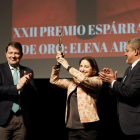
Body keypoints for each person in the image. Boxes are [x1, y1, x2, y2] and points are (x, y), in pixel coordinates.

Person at [50, 51, 103, 140]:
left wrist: (67, 66)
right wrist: (58, 64)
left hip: (88, 128)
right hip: (72, 128)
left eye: (86, 67)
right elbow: (54, 80)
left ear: (93, 70)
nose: (82, 69)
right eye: (81, 66)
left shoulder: (97, 81)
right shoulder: (73, 82)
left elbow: (83, 79)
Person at [99, 37, 140, 140]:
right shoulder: (129, 69)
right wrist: (113, 83)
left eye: (127, 51)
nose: (124, 54)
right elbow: (123, 92)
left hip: (136, 125)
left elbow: (131, 92)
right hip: (127, 124)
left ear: (135, 51)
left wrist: (113, 82)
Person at [0, 41, 38, 140]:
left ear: (21, 55)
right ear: (6, 54)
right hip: (3, 118)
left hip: (22, 119)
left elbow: (34, 96)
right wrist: (17, 87)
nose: (13, 56)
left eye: (16, 53)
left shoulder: (28, 71)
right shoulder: (0, 69)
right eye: (10, 53)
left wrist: (27, 84)